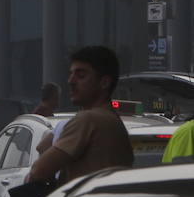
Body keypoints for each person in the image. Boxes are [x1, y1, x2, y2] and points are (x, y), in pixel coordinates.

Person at [26, 45, 133, 184]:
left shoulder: (88, 120)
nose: (71, 81)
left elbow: (37, 171)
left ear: (104, 82)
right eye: (71, 74)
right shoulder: (113, 121)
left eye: (81, 75)